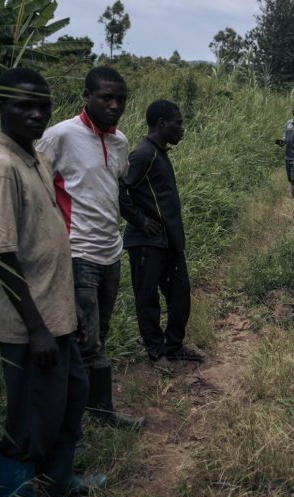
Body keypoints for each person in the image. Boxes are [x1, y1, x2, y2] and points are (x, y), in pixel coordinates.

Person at [0, 68, 106, 497]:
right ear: (0, 106)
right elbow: (3, 255)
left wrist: (70, 308)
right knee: (31, 409)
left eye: (42, 106)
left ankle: (59, 476)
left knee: (72, 394)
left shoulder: (36, 159)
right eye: (22, 105)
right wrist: (35, 329)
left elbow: (49, 243)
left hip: (57, 310)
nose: (35, 114)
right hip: (27, 322)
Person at [36, 66, 145, 429]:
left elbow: (114, 188)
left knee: (101, 336)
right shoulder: (61, 136)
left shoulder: (120, 142)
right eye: (106, 98)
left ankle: (96, 411)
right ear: (87, 97)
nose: (114, 105)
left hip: (110, 253)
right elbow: (34, 184)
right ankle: (75, 423)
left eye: (120, 99)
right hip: (77, 253)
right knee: (85, 340)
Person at [119, 100, 204, 371]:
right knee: (148, 299)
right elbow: (119, 190)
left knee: (180, 293)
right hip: (147, 243)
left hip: (169, 241)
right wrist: (141, 220)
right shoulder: (143, 154)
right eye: (178, 123)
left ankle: (174, 346)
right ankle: (156, 353)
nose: (182, 129)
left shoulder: (160, 154)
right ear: (161, 123)